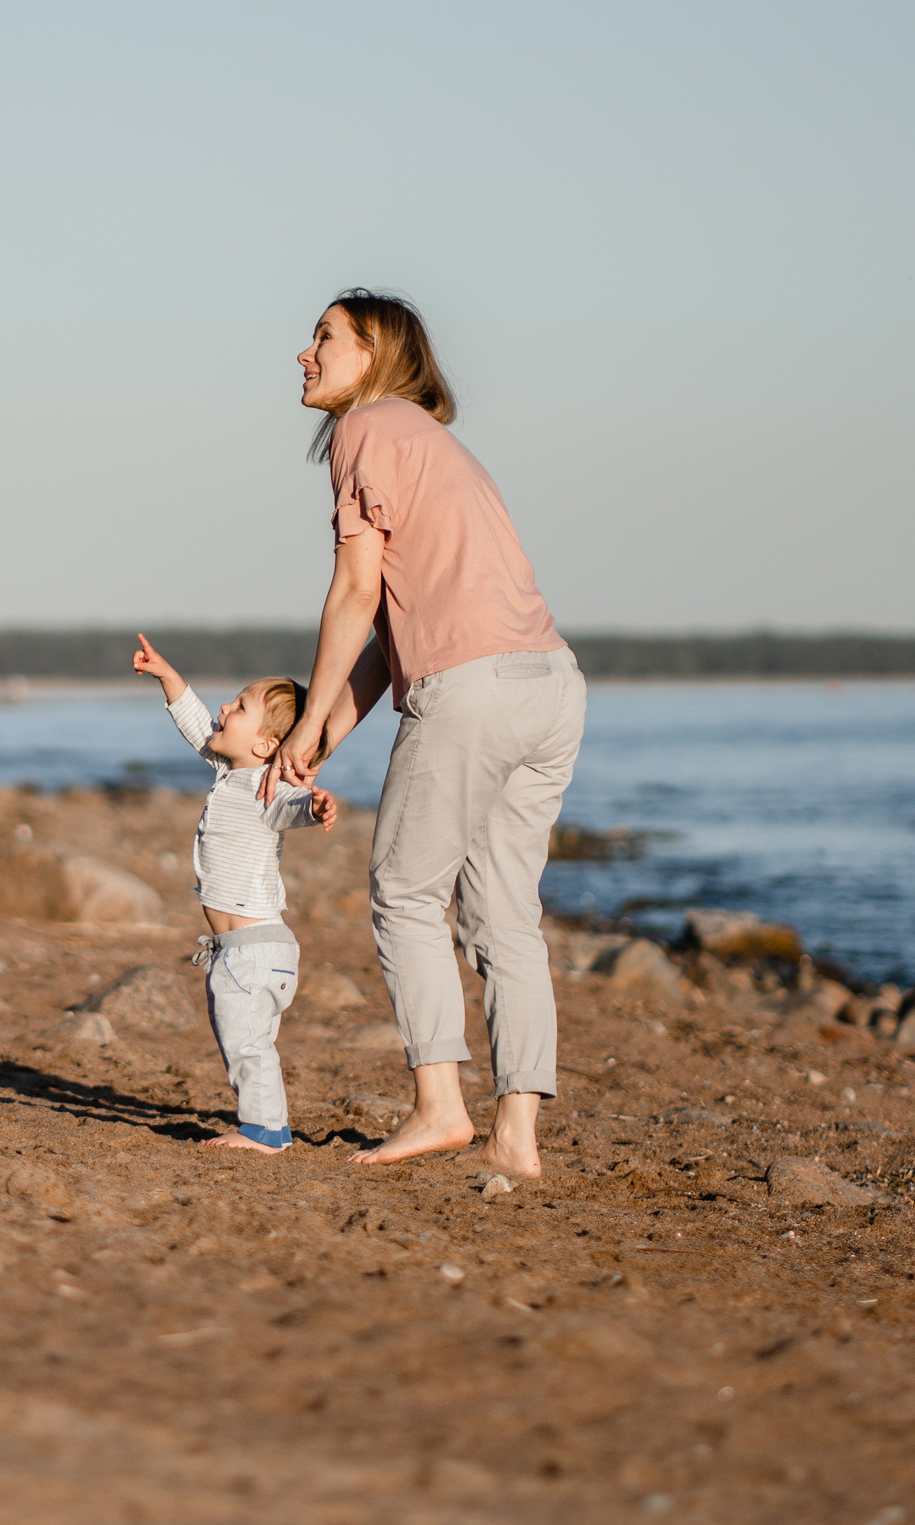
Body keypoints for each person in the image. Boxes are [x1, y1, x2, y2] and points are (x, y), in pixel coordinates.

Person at [266, 290, 582, 1179]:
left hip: (472, 687)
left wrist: (304, 728)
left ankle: (440, 1106)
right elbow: (393, 631)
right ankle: (516, 1138)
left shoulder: (366, 431)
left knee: (405, 890)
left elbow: (358, 594)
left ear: (373, 353)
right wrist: (325, 729)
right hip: (550, 682)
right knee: (506, 917)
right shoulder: (435, 444)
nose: (303, 353)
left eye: (322, 337)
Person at [130, 633, 341, 1153]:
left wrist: (313, 809)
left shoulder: (266, 787)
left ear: (266, 746)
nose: (225, 706)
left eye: (240, 706)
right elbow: (196, 720)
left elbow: (291, 806)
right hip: (241, 952)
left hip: (255, 952)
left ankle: (266, 1132)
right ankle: (269, 1126)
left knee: (248, 1045)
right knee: (243, 1041)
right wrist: (167, 675)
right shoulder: (229, 770)